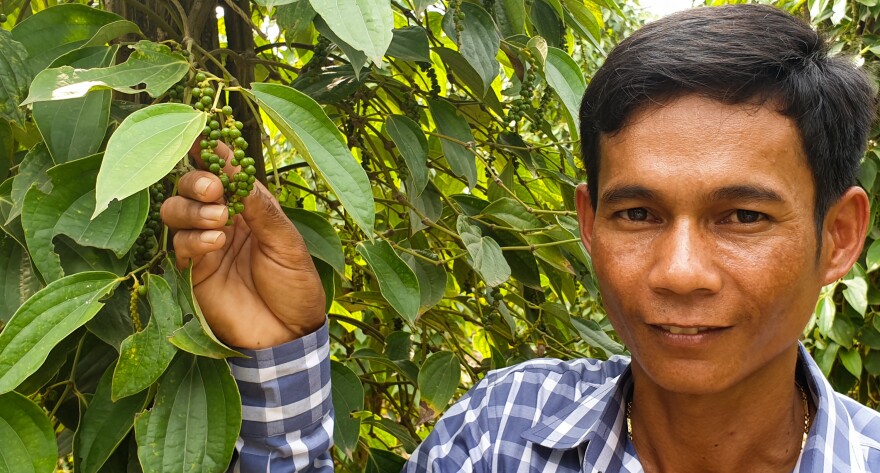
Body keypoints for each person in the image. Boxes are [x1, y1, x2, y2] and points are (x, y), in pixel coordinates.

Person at [160, 4, 880, 472]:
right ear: (590, 225)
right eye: (638, 214)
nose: (681, 271)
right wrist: (281, 352)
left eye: (743, 217)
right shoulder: (502, 431)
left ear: (839, 236)